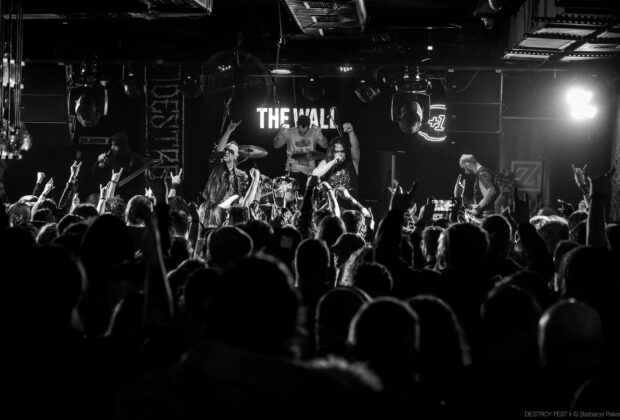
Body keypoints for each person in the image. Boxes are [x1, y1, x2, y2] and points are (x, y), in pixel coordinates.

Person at [200, 120, 250, 227]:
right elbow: (218, 151)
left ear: (236, 156)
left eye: (231, 151)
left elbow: (243, 197)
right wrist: (229, 131)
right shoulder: (215, 166)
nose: (227, 152)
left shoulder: (242, 175)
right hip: (212, 213)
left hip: (230, 215)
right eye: (226, 150)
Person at [312, 123, 363, 210]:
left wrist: (351, 132)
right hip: (331, 209)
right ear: (332, 152)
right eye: (337, 151)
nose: (340, 154)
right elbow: (315, 174)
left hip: (349, 209)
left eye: (342, 151)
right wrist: (333, 161)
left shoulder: (352, 162)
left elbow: (355, 147)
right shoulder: (327, 162)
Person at [273, 115, 328, 191]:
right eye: (300, 131)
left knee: (309, 197)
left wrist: (320, 135)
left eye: (305, 132)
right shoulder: (290, 132)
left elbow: (325, 145)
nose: (302, 133)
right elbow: (276, 145)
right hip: (293, 170)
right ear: (297, 125)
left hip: (310, 172)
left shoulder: (314, 133)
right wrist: (279, 135)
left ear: (308, 127)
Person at [91, 132, 146, 201]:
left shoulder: (136, 158)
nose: (112, 147)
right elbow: (94, 174)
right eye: (111, 145)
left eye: (115, 145)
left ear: (122, 146)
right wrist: (98, 162)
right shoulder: (110, 159)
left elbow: (142, 181)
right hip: (111, 197)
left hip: (131, 198)